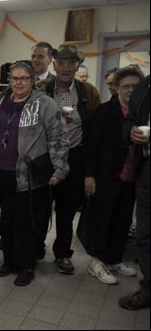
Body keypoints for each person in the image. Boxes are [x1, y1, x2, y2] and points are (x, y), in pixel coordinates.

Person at [0, 60, 69, 286]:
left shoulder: (44, 104)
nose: (18, 82)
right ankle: (9, 260)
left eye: (23, 78)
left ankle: (26, 265)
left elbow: (58, 138)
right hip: (3, 172)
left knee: (28, 221)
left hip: (31, 174)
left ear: (32, 80)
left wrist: (60, 168)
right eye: (14, 78)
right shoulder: (1, 101)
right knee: (8, 219)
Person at [37, 44, 101, 275]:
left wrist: (90, 172)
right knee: (40, 207)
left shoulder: (88, 92)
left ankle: (63, 253)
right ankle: (36, 248)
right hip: (45, 157)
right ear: (54, 64)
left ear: (77, 66)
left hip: (75, 157)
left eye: (71, 63)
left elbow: (94, 135)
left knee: (66, 210)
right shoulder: (42, 89)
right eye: (61, 62)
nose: (65, 67)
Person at [84, 66, 144, 284]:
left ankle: (115, 258)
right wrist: (89, 175)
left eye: (135, 86)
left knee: (123, 219)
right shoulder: (104, 111)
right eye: (125, 86)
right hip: (106, 175)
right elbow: (92, 146)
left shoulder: (143, 111)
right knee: (102, 218)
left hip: (132, 176)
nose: (130, 90)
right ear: (116, 88)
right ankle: (96, 261)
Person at [119, 74, 150, 310]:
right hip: (146, 169)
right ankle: (148, 288)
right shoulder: (145, 86)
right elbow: (129, 120)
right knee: (145, 234)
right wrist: (131, 132)